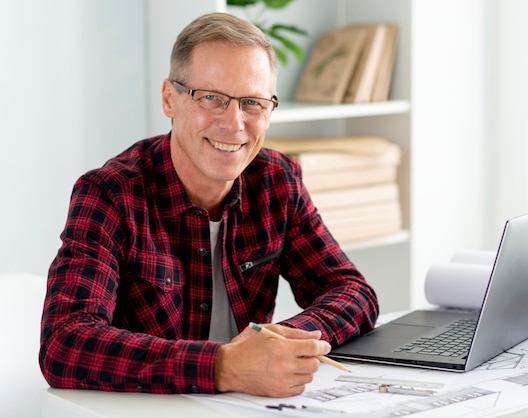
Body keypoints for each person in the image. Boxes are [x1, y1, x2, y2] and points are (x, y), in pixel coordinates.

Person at [39, 12, 379, 398]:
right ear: (170, 98)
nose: (234, 124)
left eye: (252, 102)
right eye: (211, 98)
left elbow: (353, 292)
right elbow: (64, 343)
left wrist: (281, 341)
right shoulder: (110, 194)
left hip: (247, 405)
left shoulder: (277, 181)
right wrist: (225, 366)